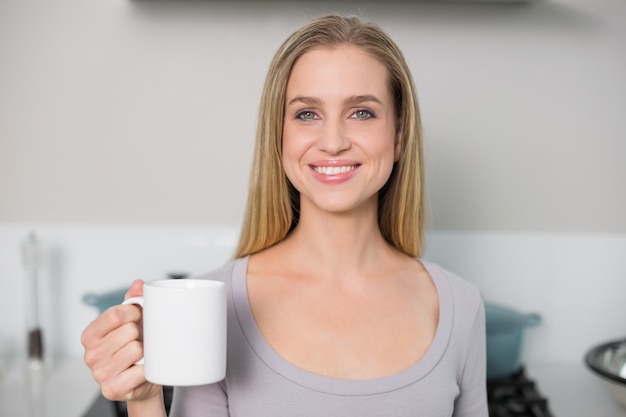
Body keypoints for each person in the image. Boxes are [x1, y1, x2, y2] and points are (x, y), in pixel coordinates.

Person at [81, 14, 487, 417]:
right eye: (307, 114)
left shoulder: (461, 306)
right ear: (279, 136)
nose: (332, 142)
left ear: (399, 135)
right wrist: (145, 399)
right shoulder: (217, 305)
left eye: (361, 112)